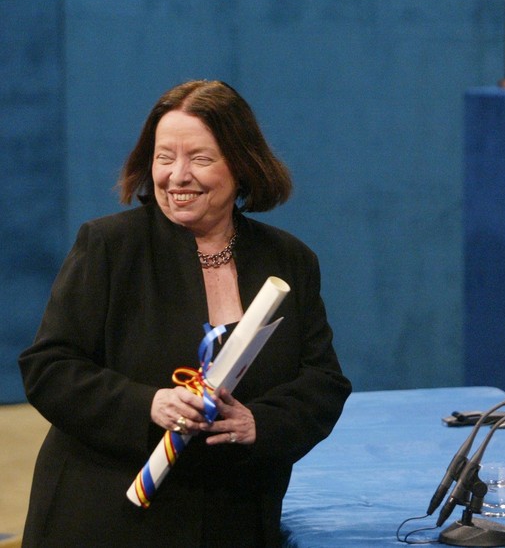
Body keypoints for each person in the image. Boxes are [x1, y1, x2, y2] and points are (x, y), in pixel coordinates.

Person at [19, 80, 352, 547]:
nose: (177, 176)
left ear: (241, 164)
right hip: (107, 518)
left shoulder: (290, 260)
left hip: (235, 517)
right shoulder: (108, 247)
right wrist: (148, 404)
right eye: (163, 157)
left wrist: (260, 423)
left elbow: (323, 383)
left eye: (200, 158)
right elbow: (49, 369)